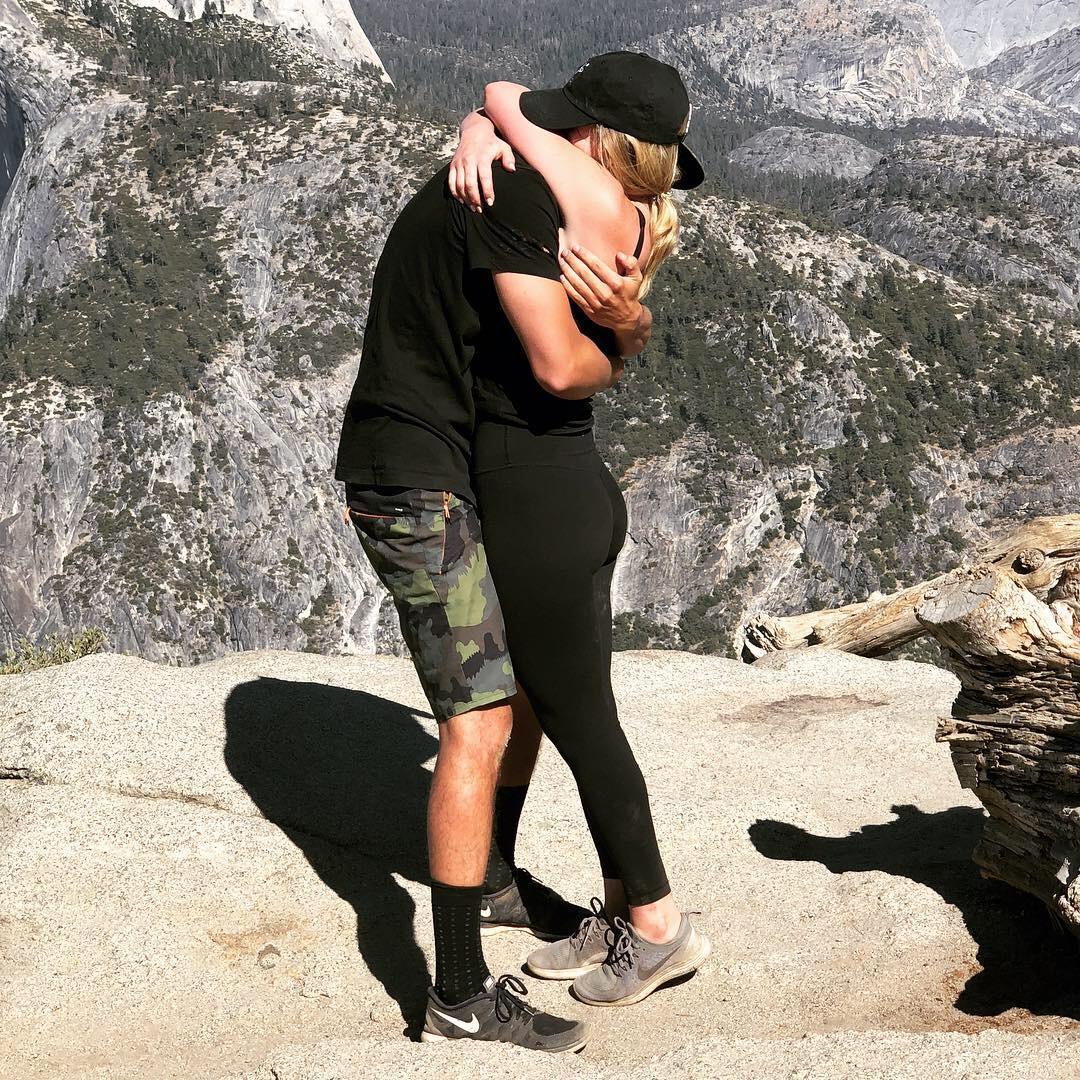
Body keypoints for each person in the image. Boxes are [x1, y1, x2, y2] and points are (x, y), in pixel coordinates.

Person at [334, 53, 670, 1053]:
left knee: (510, 693)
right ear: (600, 148)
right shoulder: (520, 189)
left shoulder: (518, 176)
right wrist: (630, 332)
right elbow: (565, 366)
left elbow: (506, 104)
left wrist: (490, 120)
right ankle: (458, 992)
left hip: (440, 467)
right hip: (412, 474)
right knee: (476, 720)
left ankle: (490, 882)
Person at [444, 51, 712, 1009]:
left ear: (600, 142)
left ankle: (656, 927)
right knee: (559, 704)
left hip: (534, 492)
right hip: (573, 484)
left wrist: (490, 125)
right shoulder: (633, 212)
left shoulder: (581, 198)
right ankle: (599, 906)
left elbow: (504, 99)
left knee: (580, 719)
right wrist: (487, 132)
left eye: (577, 129)